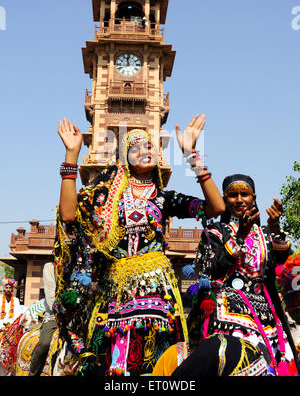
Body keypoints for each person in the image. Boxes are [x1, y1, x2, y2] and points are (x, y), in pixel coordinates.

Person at [53, 115, 225, 376]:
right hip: (116, 293)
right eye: (136, 148)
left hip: (159, 292)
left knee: (163, 363)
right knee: (112, 363)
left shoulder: (164, 198)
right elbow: (68, 214)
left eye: (150, 147)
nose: (146, 151)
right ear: (124, 158)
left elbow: (216, 207)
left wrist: (191, 155)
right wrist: (72, 153)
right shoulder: (105, 198)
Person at [185, 174, 300, 376]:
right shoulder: (214, 232)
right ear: (224, 200)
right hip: (228, 314)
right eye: (232, 195)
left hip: (269, 316)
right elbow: (211, 270)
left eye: (244, 194)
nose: (239, 200)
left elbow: (285, 268)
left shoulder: (265, 233)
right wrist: (239, 237)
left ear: (253, 197)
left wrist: (275, 229)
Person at [29, 262, 57, 376]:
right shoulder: (50, 267)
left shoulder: (81, 267)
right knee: (45, 344)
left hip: (78, 316)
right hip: (54, 315)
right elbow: (51, 299)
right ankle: (33, 373)